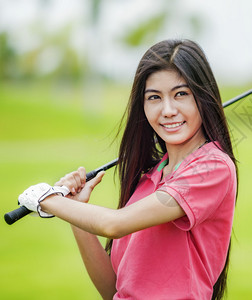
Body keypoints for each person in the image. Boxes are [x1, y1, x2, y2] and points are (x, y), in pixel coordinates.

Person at [17, 39, 238, 300]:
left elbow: (114, 225)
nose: (168, 110)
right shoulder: (149, 179)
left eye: (181, 94)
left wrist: (45, 198)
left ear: (202, 96)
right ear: (142, 107)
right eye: (154, 97)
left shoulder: (212, 168)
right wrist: (77, 212)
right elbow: (115, 290)